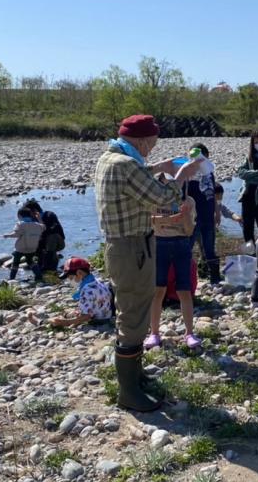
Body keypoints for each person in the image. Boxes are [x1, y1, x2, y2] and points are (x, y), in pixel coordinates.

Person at [94, 114, 201, 412]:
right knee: (132, 315)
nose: (151, 150)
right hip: (132, 249)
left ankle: (136, 377)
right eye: (151, 144)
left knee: (135, 311)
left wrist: (159, 167)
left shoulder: (110, 158)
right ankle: (129, 392)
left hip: (124, 246)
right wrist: (181, 174)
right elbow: (164, 196)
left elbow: (136, 178)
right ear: (141, 140)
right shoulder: (127, 165)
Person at [145, 173, 202, 351]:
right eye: (165, 183)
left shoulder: (189, 201)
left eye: (174, 183)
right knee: (158, 290)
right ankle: (154, 333)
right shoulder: (152, 200)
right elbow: (145, 222)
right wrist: (166, 219)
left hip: (181, 244)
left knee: (184, 290)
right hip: (159, 244)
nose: (170, 187)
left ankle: (189, 333)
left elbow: (189, 230)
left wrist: (184, 214)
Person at [186, 143, 221, 283]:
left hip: (208, 216)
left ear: (207, 157)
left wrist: (217, 212)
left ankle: (215, 278)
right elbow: (182, 197)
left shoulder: (209, 172)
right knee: (187, 247)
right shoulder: (187, 174)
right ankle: (186, 278)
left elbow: (212, 194)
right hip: (193, 218)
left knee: (209, 248)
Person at [47, 257, 114, 328]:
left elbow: (86, 316)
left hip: (98, 321)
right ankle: (66, 315)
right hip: (107, 314)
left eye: (70, 277)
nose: (69, 281)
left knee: (62, 318)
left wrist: (65, 322)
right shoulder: (97, 282)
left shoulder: (86, 290)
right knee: (71, 313)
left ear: (79, 273)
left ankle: (62, 319)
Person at [3, 207, 44, 282]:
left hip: (21, 248)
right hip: (32, 248)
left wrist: (7, 235)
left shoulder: (20, 224)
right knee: (30, 261)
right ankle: (39, 276)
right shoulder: (38, 225)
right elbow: (43, 227)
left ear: (20, 216)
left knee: (16, 262)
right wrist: (39, 219)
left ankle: (12, 278)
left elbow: (17, 234)